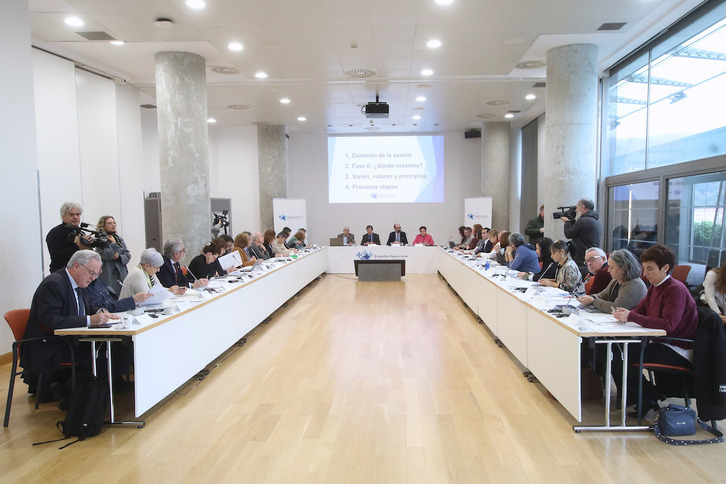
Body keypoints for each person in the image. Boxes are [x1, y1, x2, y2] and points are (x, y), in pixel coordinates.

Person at [21, 250, 118, 400]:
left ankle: (94, 396)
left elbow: (86, 306)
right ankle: (81, 399)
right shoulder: (54, 284)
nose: (93, 278)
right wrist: (89, 320)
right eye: (91, 273)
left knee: (113, 348)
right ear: (77, 266)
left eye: (96, 274)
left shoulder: (78, 283)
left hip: (68, 341)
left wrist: (101, 312)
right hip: (49, 345)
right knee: (102, 356)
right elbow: (51, 321)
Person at [612, 244, 698, 410]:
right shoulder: (655, 287)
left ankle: (649, 396)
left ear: (665, 268)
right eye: (644, 268)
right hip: (662, 343)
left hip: (677, 347)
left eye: (650, 269)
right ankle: (643, 396)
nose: (645, 274)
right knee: (617, 352)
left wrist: (631, 316)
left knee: (622, 356)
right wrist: (626, 314)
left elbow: (669, 325)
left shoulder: (675, 289)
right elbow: (640, 310)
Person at [576, 249, 647, 313]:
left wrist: (593, 301)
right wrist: (591, 298)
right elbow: (602, 295)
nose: (608, 270)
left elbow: (616, 307)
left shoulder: (634, 285)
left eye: (612, 267)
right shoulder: (616, 280)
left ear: (623, 268)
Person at [46, 201, 94, 273]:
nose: (75, 217)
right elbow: (57, 256)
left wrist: (88, 246)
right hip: (62, 274)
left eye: (78, 214)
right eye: (71, 215)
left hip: (81, 273)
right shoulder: (55, 232)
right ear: (63, 216)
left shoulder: (81, 232)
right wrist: (78, 246)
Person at [121, 248, 186, 297]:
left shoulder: (148, 272)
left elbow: (159, 288)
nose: (158, 270)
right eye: (157, 267)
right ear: (147, 266)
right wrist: (169, 292)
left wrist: (174, 291)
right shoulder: (138, 273)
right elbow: (147, 297)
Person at [561, 198, 603, 274]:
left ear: (582, 207)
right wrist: (573, 221)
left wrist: (567, 222)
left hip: (581, 257)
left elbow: (569, 234)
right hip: (591, 254)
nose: (576, 210)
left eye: (577, 207)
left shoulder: (583, 221)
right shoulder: (596, 220)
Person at [95, 215, 131, 298]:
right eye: (109, 223)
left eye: (114, 223)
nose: (113, 225)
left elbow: (127, 255)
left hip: (121, 273)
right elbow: (105, 255)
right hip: (108, 273)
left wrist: (119, 257)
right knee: (110, 295)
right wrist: (113, 244)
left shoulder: (119, 238)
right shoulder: (100, 240)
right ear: (103, 226)